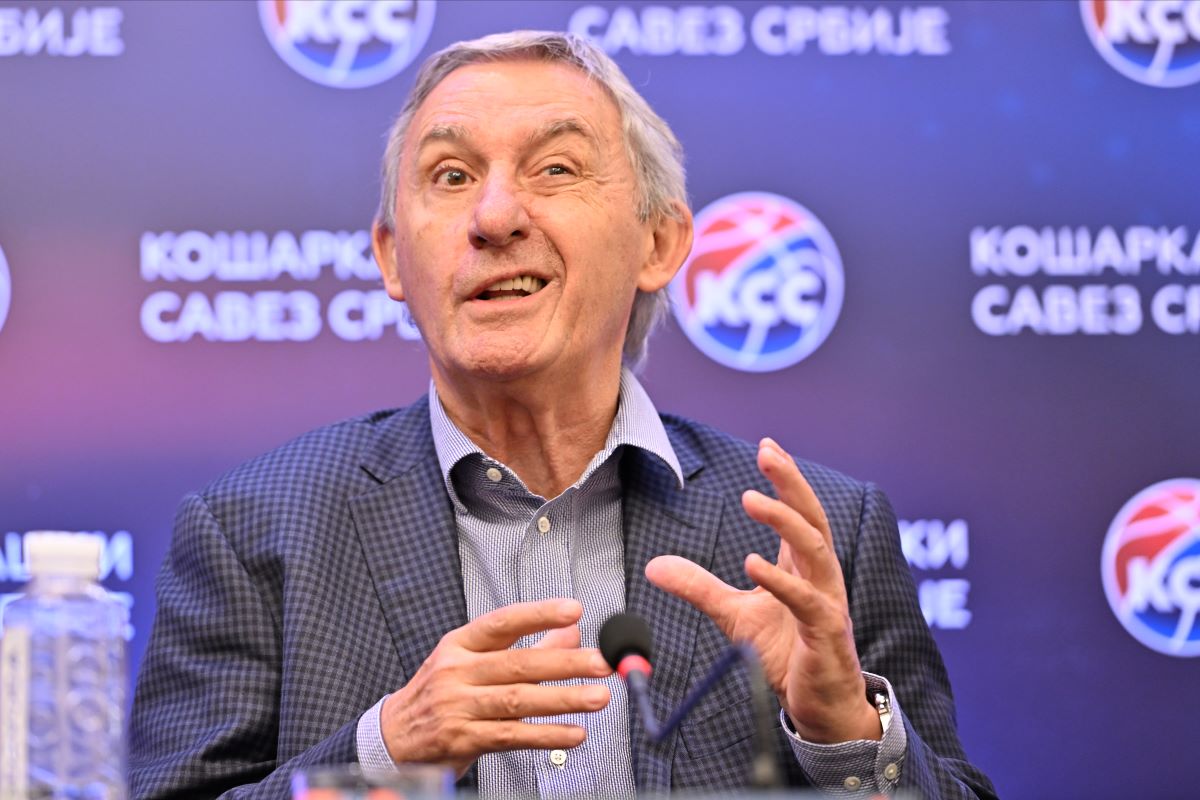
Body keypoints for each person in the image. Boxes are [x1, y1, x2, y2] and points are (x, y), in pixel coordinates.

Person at [129, 30, 996, 800]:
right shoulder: (252, 531)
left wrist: (843, 733)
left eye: (554, 169)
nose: (496, 216)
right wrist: (383, 754)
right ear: (392, 258)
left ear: (658, 242)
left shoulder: (817, 537)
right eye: (452, 176)